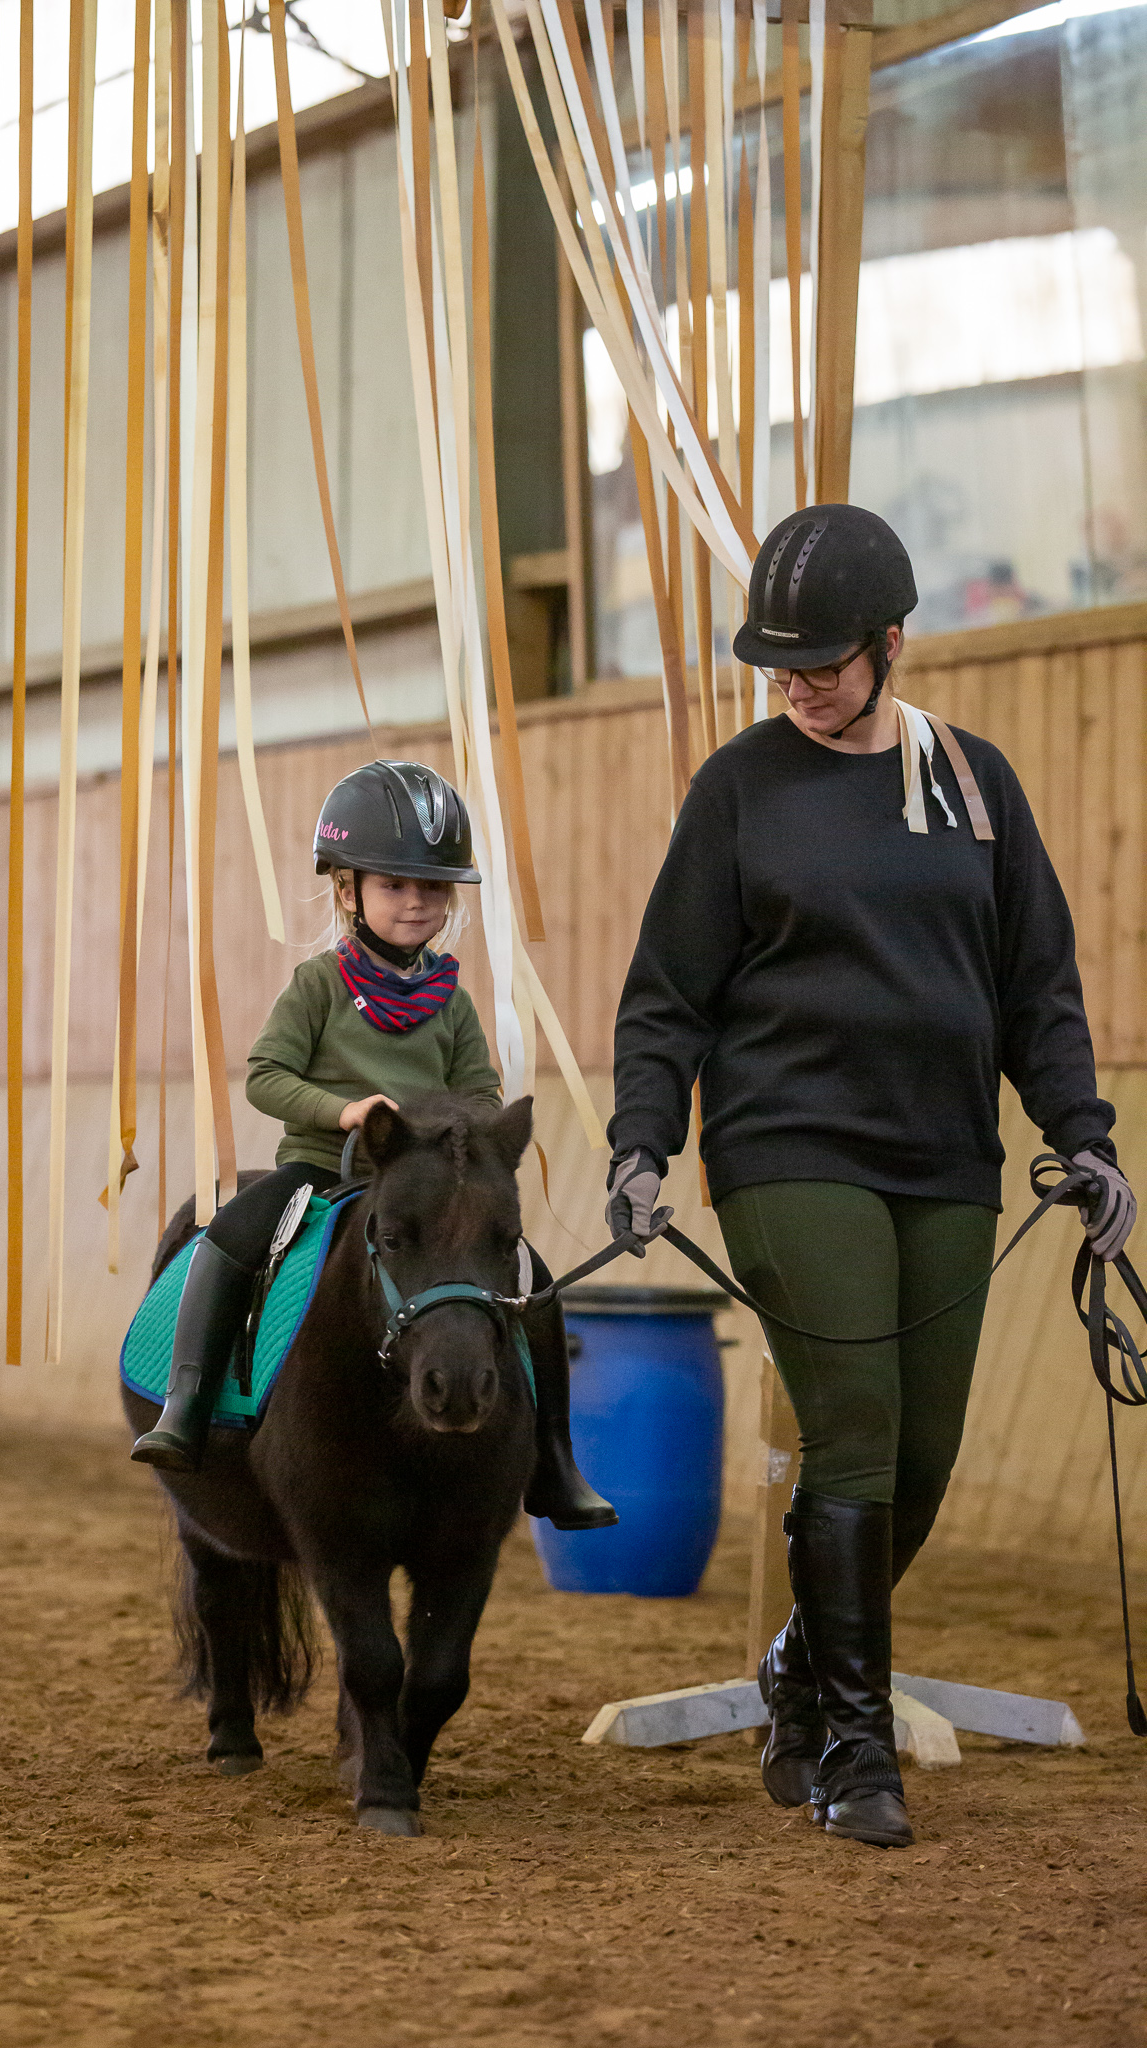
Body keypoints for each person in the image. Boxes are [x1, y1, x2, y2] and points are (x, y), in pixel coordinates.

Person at [605, 504, 1136, 1848]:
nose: (797, 685)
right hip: (790, 1145)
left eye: (822, 663)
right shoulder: (737, 789)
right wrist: (642, 1140)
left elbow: (1037, 982)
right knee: (852, 1431)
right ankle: (851, 1745)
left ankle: (798, 1664)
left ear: (892, 642)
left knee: (921, 1456)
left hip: (945, 1152)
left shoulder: (974, 782)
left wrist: (1083, 1133)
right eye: (778, 667)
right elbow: (668, 991)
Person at [132, 758, 615, 1531]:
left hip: (425, 1185)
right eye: (394, 885)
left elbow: (480, 1094)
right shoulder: (317, 985)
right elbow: (266, 1076)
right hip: (320, 1170)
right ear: (346, 889)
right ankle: (185, 1407)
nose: (416, 903)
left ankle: (554, 1459)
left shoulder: (450, 1002)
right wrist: (344, 1111)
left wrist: (461, 1134)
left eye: (432, 888)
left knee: (533, 1275)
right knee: (230, 1235)